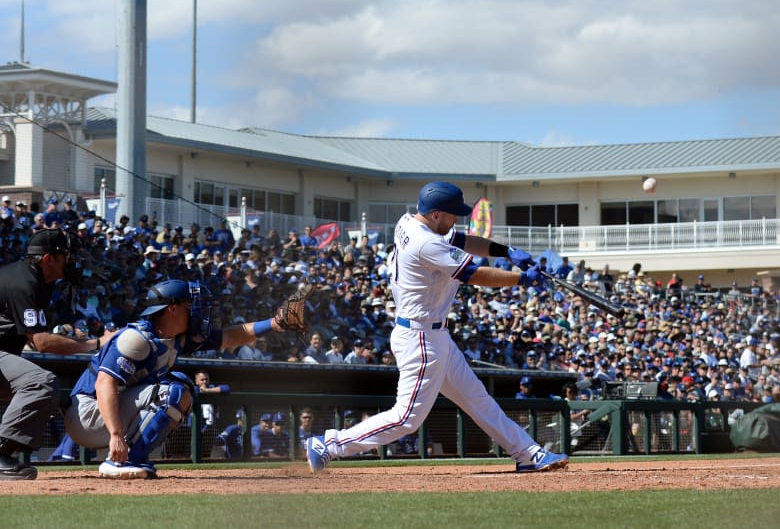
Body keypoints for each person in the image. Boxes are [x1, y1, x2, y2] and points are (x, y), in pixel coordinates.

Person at [306, 181, 569, 473]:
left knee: (477, 399)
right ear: (434, 214)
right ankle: (330, 444)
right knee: (406, 418)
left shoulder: (410, 222)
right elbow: (474, 273)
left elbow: (462, 240)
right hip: (420, 337)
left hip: (432, 333)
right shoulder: (426, 242)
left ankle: (528, 453)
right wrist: (521, 279)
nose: (456, 218)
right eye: (452, 214)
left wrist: (505, 251)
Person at [63, 278, 303, 478]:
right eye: (191, 305)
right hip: (87, 414)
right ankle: (120, 461)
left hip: (106, 412)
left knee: (181, 386)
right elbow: (105, 383)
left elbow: (230, 336)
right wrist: (116, 435)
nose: (197, 311)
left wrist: (275, 323)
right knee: (173, 391)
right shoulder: (135, 338)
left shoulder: (176, 336)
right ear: (172, 308)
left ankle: (133, 458)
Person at [0, 229, 105, 480]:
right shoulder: (24, 281)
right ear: (48, 259)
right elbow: (42, 343)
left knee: (42, 389)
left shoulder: (31, 278)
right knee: (41, 382)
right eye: (66, 257)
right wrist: (96, 343)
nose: (72, 262)